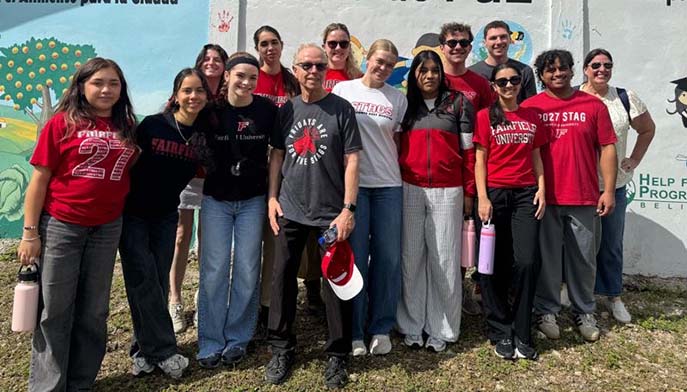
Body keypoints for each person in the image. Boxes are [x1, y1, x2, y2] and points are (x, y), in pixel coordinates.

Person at [17, 57, 138, 391]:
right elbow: (39, 180)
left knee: (94, 310)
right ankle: (48, 386)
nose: (106, 89)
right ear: (82, 85)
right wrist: (30, 233)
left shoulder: (126, 124)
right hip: (61, 226)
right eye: (98, 82)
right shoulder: (62, 123)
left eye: (114, 83)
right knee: (55, 311)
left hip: (106, 228)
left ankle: (81, 382)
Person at [264, 43, 361, 389]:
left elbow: (352, 160)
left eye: (320, 65)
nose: (314, 71)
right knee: (282, 276)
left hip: (329, 213)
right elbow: (276, 155)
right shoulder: (286, 111)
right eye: (306, 65)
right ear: (295, 69)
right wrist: (272, 197)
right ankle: (281, 347)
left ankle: (337, 354)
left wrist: (348, 209)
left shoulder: (342, 109)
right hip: (290, 207)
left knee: (336, 281)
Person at [119, 68, 211, 378]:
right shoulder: (153, 126)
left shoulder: (202, 136)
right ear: (176, 95)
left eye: (199, 91)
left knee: (155, 282)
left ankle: (141, 351)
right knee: (142, 279)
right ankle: (165, 351)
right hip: (133, 215)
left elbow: (216, 169)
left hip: (165, 216)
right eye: (187, 90)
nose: (193, 96)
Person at [522, 49, 617, 342]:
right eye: (550, 70)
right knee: (548, 258)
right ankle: (547, 310)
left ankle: (584, 310)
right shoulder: (530, 107)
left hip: (584, 195)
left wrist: (609, 190)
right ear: (541, 75)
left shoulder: (593, 106)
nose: (558, 74)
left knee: (583, 259)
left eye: (563, 68)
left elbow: (608, 148)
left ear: (574, 71)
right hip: (545, 198)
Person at [195, 52, 280, 368]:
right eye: (240, 75)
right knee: (214, 269)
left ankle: (238, 337)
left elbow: (278, 153)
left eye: (253, 78)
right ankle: (210, 341)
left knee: (247, 268)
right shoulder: (210, 111)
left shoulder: (267, 111)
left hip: (253, 200)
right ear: (227, 76)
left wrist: (272, 196)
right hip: (216, 199)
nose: (246, 82)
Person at [332, 39, 408, 356]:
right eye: (379, 60)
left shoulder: (398, 100)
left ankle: (381, 327)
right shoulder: (343, 92)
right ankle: (355, 331)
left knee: (388, 259)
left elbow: (400, 145)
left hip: (389, 186)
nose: (383, 68)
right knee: (356, 258)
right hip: (355, 189)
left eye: (390, 64)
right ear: (367, 58)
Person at [396, 50, 475, 353]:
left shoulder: (458, 103)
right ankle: (412, 325)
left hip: (449, 190)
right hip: (410, 188)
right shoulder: (405, 106)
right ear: (414, 74)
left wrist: (469, 192)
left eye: (435, 70)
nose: (429, 76)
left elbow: (469, 153)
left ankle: (442, 328)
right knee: (411, 257)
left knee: (444, 259)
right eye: (423, 70)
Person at [473, 63, 546, 361]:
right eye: (502, 81)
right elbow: (480, 159)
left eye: (514, 80)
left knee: (527, 262)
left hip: (526, 193)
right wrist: (482, 197)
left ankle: (522, 329)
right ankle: (500, 329)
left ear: (521, 83)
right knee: (492, 264)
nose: (508, 85)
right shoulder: (484, 116)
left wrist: (542, 187)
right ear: (493, 86)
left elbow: (536, 155)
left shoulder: (532, 116)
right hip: (494, 194)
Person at [579, 48, 656, 324]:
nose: (602, 69)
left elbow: (648, 129)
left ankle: (613, 296)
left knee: (611, 244)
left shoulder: (624, 98)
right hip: (579, 186)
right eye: (596, 65)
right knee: (577, 245)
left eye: (607, 65)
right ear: (586, 68)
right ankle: (571, 291)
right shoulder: (573, 98)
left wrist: (634, 159)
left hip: (615, 185)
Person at [168, 44, 229, 334]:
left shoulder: (227, 98)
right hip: (185, 177)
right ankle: (174, 298)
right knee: (181, 237)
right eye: (207, 58)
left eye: (218, 59)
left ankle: (203, 295)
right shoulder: (189, 89)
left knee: (208, 241)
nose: (212, 63)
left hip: (215, 179)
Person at [439, 21, 493, 316]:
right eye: (452, 43)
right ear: (442, 47)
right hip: (441, 169)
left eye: (463, 42)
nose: (457, 47)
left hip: (473, 166)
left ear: (471, 47)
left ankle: (463, 290)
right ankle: (443, 291)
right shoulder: (432, 78)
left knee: (466, 233)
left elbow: (490, 124)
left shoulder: (480, 84)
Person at [469, 20, 537, 103]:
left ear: (510, 40)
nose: (499, 42)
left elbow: (531, 107)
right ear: (484, 43)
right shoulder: (472, 73)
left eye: (503, 37)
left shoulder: (524, 71)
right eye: (493, 38)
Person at [253, 25, 300, 107]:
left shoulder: (293, 81)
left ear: (281, 45)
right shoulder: (253, 79)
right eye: (264, 44)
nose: (270, 48)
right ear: (257, 49)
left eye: (274, 42)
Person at [322, 22, 363, 92]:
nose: (338, 48)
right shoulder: (316, 74)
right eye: (332, 44)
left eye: (343, 44)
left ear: (349, 47)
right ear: (324, 47)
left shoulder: (359, 79)